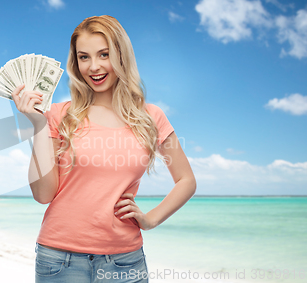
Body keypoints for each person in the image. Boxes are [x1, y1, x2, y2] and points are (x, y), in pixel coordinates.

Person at [12, 15, 196, 283]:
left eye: (104, 54)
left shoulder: (150, 117)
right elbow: (43, 194)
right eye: (84, 57)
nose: (94, 67)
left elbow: (186, 180)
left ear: (121, 56)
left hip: (124, 261)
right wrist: (38, 125)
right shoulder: (59, 115)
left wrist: (150, 219)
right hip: (59, 260)